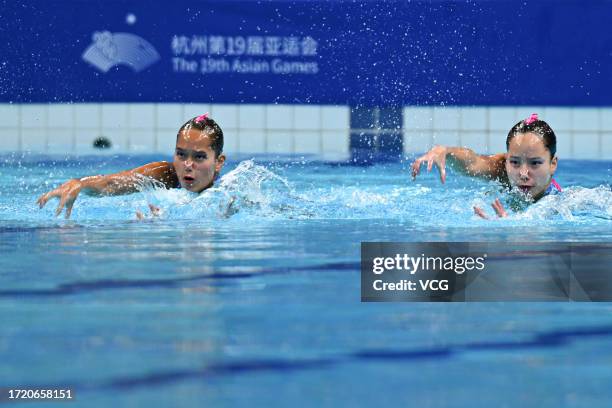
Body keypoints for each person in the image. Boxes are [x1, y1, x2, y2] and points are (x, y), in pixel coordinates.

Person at [37, 113, 226, 218]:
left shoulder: (228, 193)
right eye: (181, 154)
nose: (187, 164)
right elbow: (111, 183)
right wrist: (79, 183)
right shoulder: (164, 173)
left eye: (199, 157)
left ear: (218, 163)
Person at [411, 113, 561, 218]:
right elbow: (473, 162)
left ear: (552, 164)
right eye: (514, 162)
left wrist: (509, 227)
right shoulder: (501, 169)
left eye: (534, 163)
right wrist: (446, 151)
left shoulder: (558, 204)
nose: (523, 173)